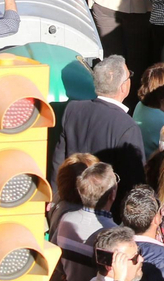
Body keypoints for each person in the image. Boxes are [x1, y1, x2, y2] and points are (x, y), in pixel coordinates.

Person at [53, 55, 147, 198]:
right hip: (104, 210)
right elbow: (134, 182)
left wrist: (55, 199)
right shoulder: (127, 126)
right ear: (123, 86)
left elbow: (58, 162)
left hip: (70, 199)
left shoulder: (73, 109)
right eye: (129, 77)